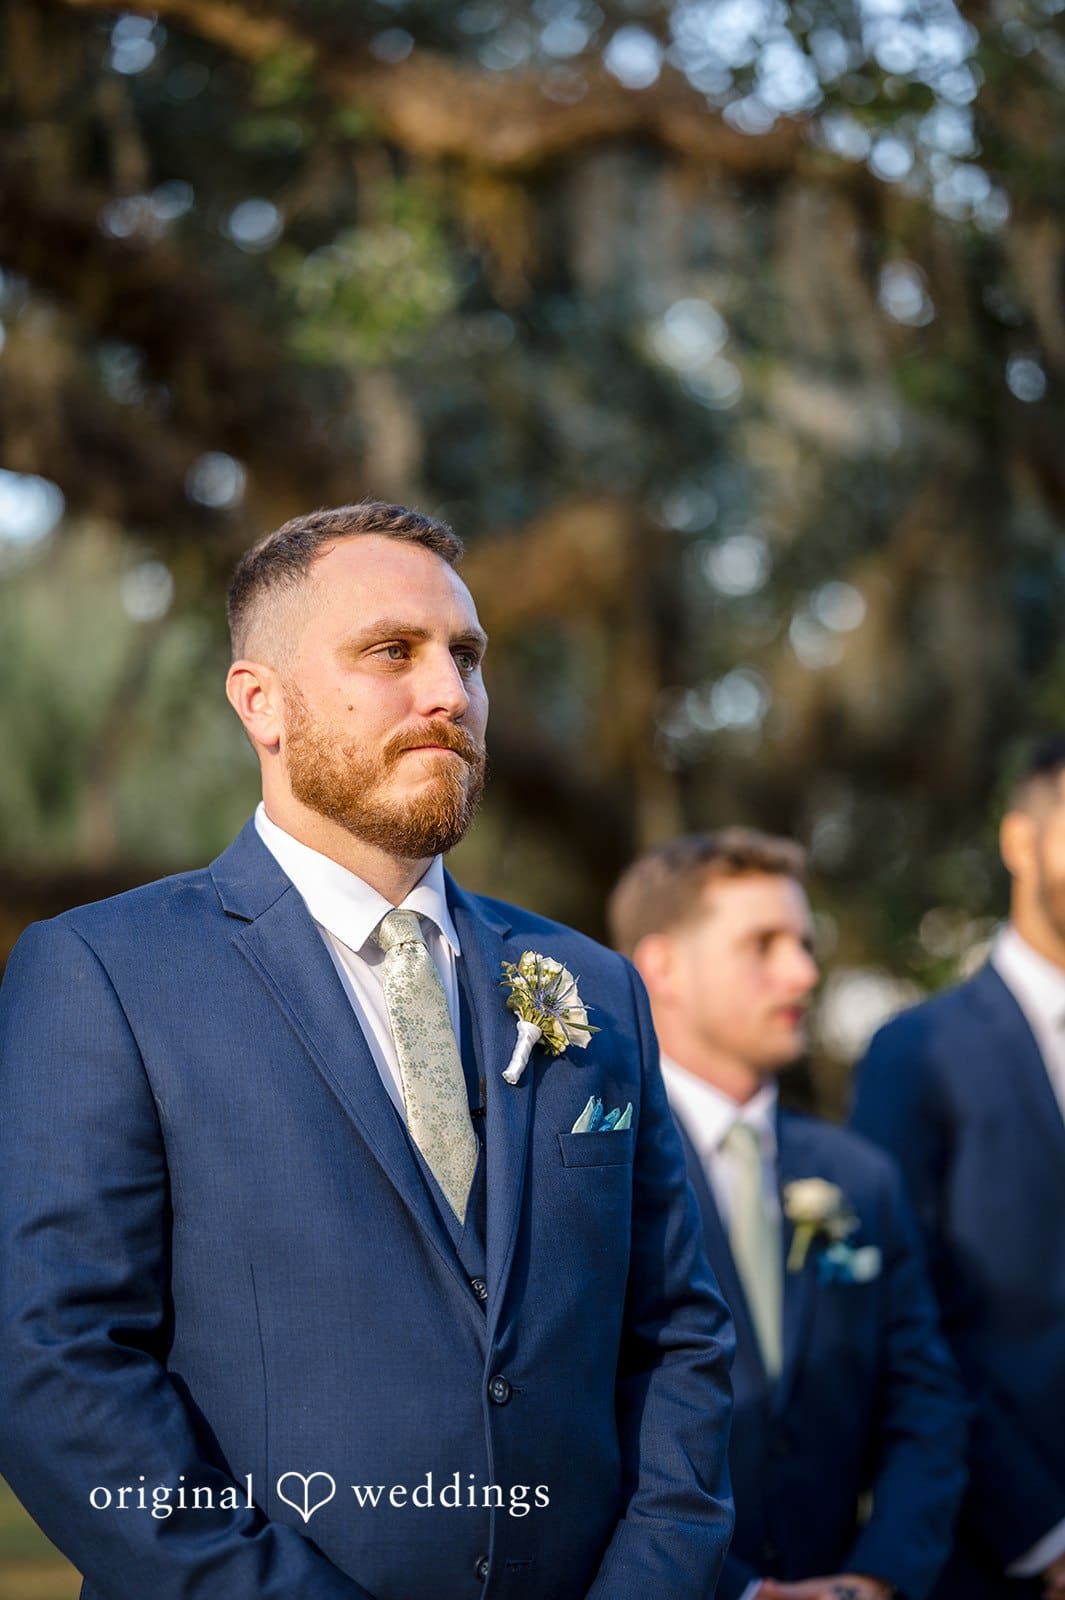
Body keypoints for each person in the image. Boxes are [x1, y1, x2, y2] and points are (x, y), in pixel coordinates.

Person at [0, 502, 734, 1600]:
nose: (451, 694)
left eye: (467, 657)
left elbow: (679, 1337)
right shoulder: (102, 975)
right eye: (393, 651)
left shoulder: (592, 988)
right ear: (263, 703)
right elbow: (60, 1371)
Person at [608, 829, 967, 1600]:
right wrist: (740, 1591)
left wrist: (875, 1579)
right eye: (762, 945)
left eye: (803, 944)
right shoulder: (595, 1165)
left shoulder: (859, 1179)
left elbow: (923, 1404)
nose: (802, 972)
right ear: (661, 968)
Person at [853, 738, 1065, 1600]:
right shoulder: (916, 1053)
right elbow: (906, 1321)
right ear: (1020, 842)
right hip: (998, 1555)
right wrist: (1041, 1535)